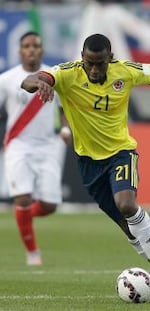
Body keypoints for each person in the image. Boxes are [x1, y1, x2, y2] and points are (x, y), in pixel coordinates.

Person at [21, 33, 150, 302]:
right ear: (81, 59)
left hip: (121, 153)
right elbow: (32, 80)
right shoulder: (68, 74)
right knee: (128, 229)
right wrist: (39, 83)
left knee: (127, 205)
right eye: (89, 63)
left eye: (100, 63)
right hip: (88, 163)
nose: (94, 69)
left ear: (110, 59)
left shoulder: (126, 71)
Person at [0, 31, 71, 266]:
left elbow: (65, 110)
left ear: (42, 50)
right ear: (20, 51)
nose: (31, 49)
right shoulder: (7, 79)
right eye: (27, 46)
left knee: (50, 205)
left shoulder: (55, 76)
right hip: (19, 144)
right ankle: (33, 253)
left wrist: (65, 129)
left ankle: (22, 217)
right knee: (23, 197)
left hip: (48, 145)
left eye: (36, 45)